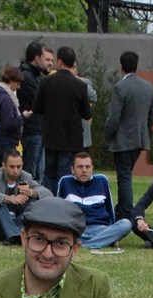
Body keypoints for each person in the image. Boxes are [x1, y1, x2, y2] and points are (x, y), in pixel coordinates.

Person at [32, 46, 92, 197]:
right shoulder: (80, 85)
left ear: (59, 61)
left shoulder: (46, 82)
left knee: (49, 174)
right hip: (71, 139)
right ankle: (62, 205)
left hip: (51, 136)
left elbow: (36, 107)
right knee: (64, 176)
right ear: (73, 63)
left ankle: (48, 203)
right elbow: (87, 113)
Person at [104, 52, 153, 222]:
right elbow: (152, 115)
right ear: (136, 65)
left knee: (124, 177)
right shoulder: (148, 87)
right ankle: (124, 208)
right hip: (140, 139)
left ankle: (125, 211)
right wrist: (144, 130)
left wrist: (108, 135)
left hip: (122, 140)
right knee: (127, 174)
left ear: (121, 67)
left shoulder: (120, 88)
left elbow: (114, 118)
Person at [56, 151, 132, 251]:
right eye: (80, 167)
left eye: (87, 167)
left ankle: (85, 245)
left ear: (92, 168)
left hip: (100, 229)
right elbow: (57, 210)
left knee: (126, 224)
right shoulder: (65, 182)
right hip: (76, 229)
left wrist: (113, 232)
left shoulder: (102, 180)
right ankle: (101, 242)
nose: (84, 170)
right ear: (72, 169)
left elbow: (110, 209)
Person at [0, 149, 51, 245]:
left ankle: (14, 235)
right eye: (12, 167)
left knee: (34, 202)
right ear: (4, 166)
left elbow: (48, 194)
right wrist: (8, 199)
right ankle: (14, 235)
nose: (16, 171)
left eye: (19, 167)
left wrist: (31, 192)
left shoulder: (26, 177)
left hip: (17, 223)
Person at [18, 42, 47, 183]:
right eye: (44, 57)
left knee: (39, 172)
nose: (47, 61)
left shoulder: (36, 76)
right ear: (36, 58)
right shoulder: (27, 77)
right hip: (32, 129)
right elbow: (41, 99)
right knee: (31, 173)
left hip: (39, 129)